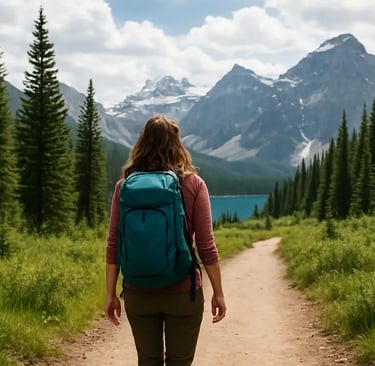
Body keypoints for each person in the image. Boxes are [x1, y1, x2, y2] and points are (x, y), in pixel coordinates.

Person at [105, 114, 226, 366]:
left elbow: (113, 244)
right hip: (183, 292)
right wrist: (218, 292)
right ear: (177, 144)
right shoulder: (194, 183)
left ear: (142, 143)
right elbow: (206, 245)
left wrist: (110, 294)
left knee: (147, 361)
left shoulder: (124, 186)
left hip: (138, 291)